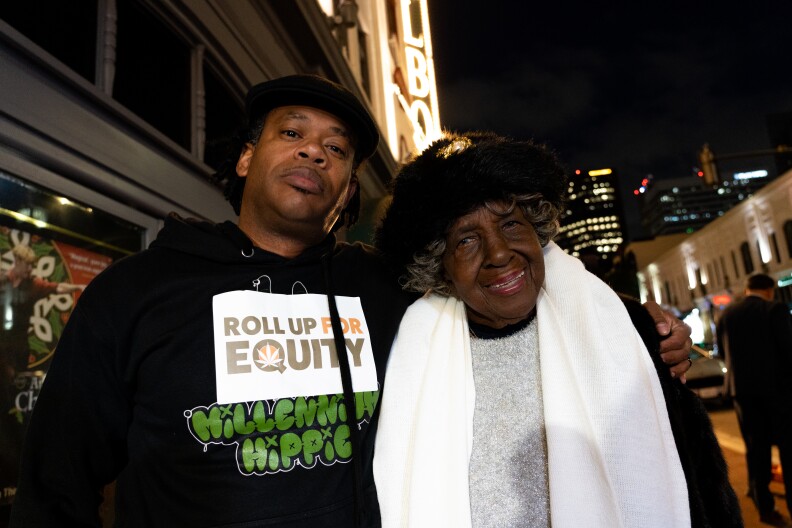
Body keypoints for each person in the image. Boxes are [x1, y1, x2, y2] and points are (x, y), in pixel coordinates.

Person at [9, 76, 692, 527]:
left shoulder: (387, 290)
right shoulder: (136, 293)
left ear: (344, 192)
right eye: (292, 134)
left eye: (336, 150)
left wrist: (639, 322)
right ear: (245, 158)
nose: (314, 153)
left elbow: (511, 285)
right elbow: (56, 483)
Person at [373, 131, 741, 528]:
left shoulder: (629, 331)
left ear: (537, 229)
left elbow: (701, 486)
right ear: (439, 266)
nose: (498, 253)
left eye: (511, 224)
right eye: (465, 240)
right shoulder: (408, 356)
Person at [717, 273, 792, 527]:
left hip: (743, 394)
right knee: (788, 449)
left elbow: (721, 353)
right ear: (769, 290)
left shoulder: (727, 314)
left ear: (747, 289)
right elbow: (788, 349)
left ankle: (764, 507)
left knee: (756, 450)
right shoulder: (775, 309)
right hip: (778, 392)